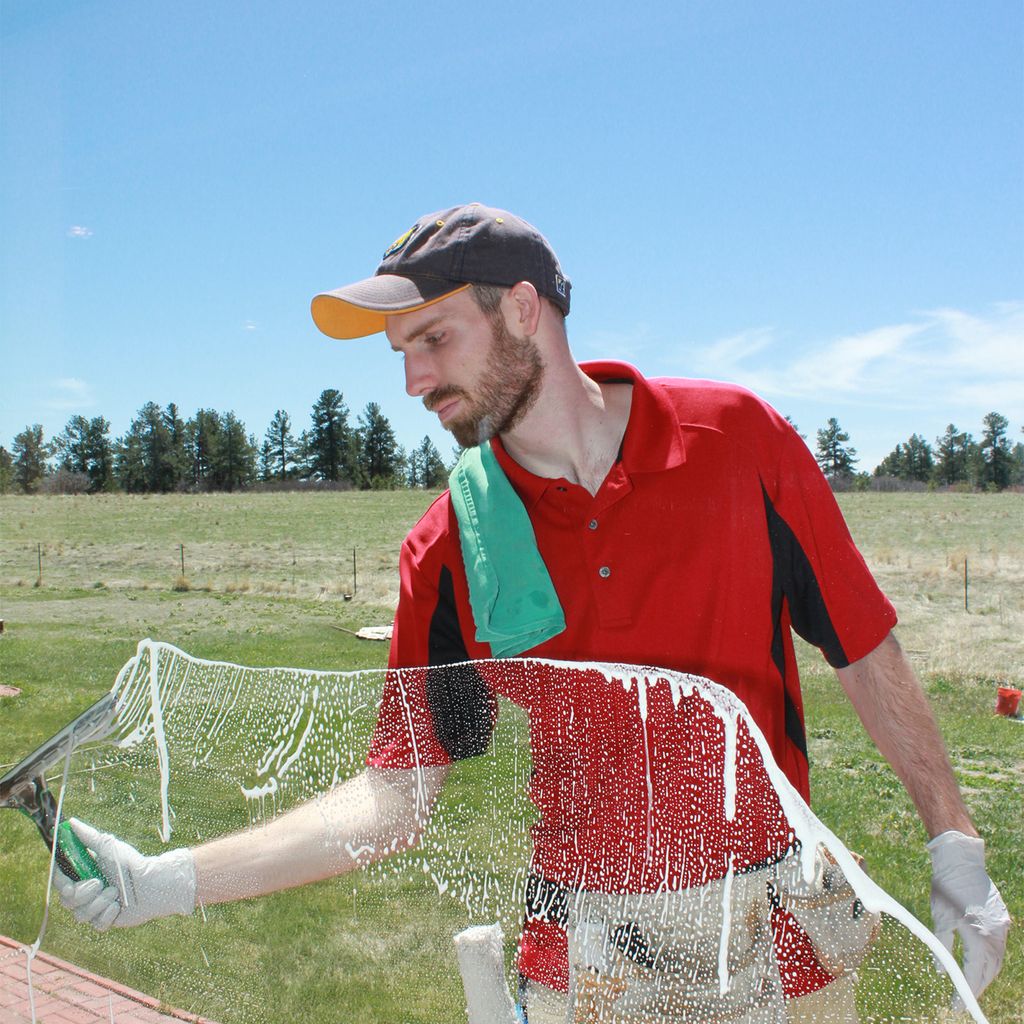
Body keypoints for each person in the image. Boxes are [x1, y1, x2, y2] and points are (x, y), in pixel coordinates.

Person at [57, 204, 1009, 1022]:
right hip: (592, 952)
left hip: (778, 924)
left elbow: (862, 641)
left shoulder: (737, 441)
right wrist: (169, 881)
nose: (413, 382)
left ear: (522, 308)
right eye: (401, 354)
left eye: (433, 340)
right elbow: (395, 799)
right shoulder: (449, 546)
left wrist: (952, 841)